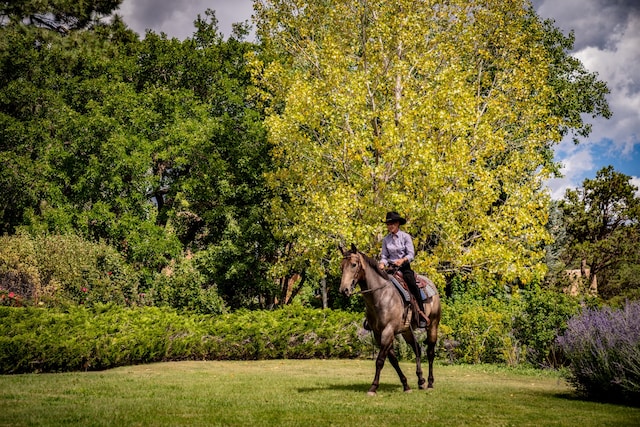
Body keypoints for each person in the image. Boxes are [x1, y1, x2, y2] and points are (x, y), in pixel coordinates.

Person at [378, 211, 426, 328]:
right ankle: (375, 316)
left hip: (404, 267)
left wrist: (402, 260)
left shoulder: (405, 237)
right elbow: (384, 255)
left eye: (392, 223)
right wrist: (382, 263)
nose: (390, 226)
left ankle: (421, 314)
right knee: (376, 285)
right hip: (390, 268)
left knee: (412, 284)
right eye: (388, 224)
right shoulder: (386, 240)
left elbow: (411, 254)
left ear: (398, 223)